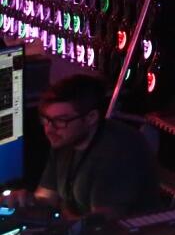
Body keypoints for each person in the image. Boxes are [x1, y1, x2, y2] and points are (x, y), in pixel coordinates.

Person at [34, 75, 162, 219]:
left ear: (91, 118)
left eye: (60, 120)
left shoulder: (119, 151)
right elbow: (46, 198)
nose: (49, 129)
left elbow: (102, 224)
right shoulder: (63, 138)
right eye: (46, 120)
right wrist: (25, 203)